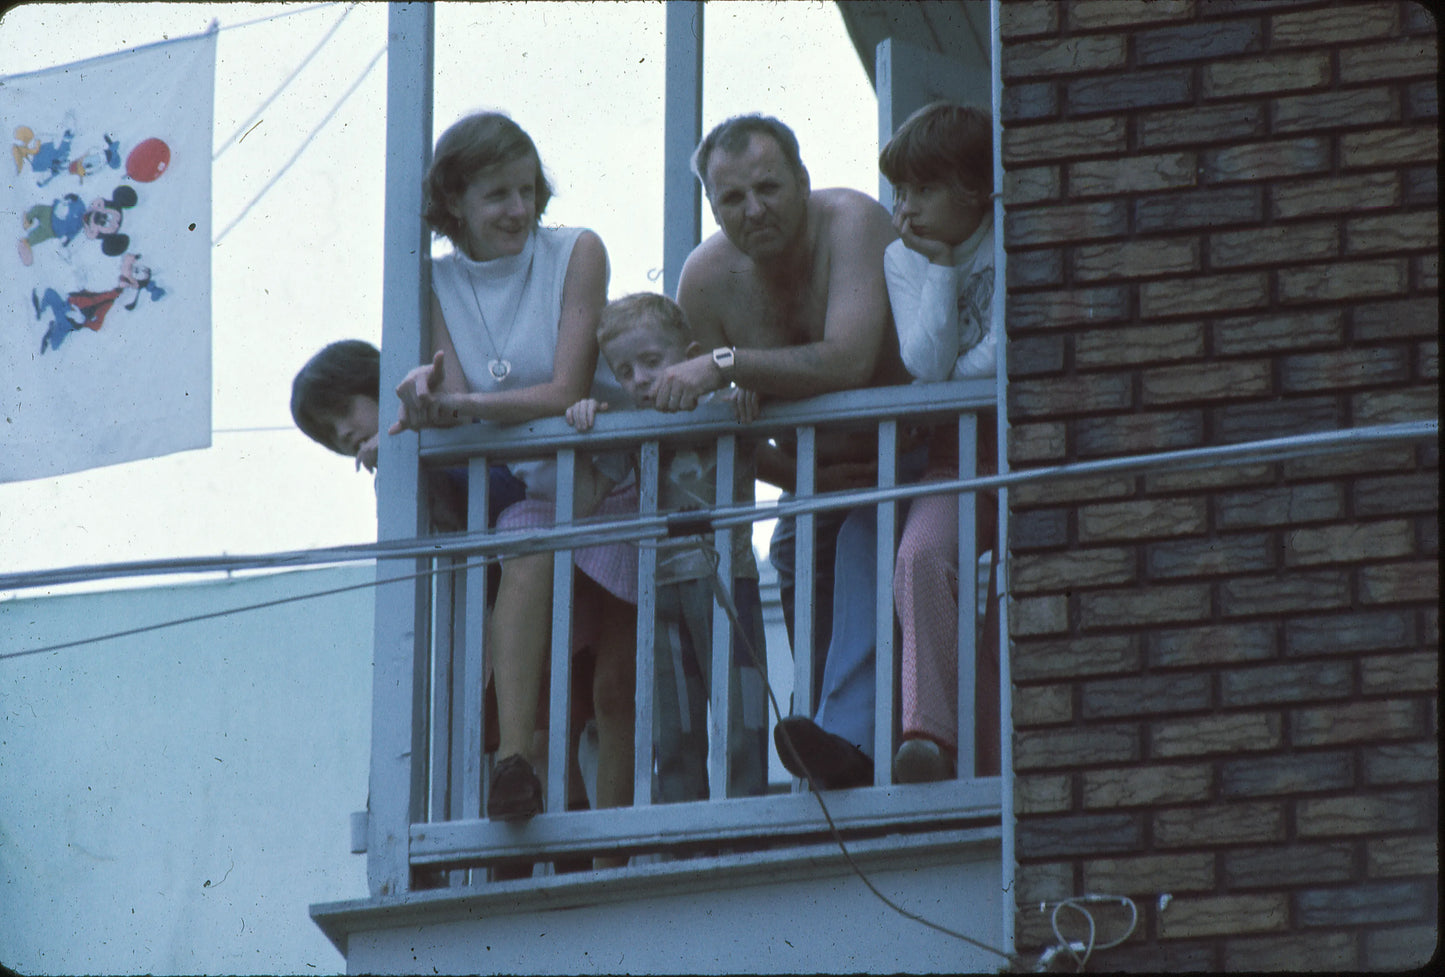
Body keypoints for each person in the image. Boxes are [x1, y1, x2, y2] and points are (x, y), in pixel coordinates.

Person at [389, 112, 638, 827]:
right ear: (454, 202)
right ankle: (514, 764)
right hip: (536, 491)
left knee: (617, 682)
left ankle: (613, 846)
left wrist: (464, 403)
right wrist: (430, 410)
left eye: (528, 191)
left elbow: (564, 390)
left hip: (610, 476)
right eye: (497, 194)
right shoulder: (431, 281)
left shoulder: (575, 252)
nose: (519, 210)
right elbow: (451, 392)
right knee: (523, 561)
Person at [650, 113, 910, 790]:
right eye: (731, 198)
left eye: (768, 187)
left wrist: (729, 362)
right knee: (800, 573)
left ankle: (861, 744)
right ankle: (835, 756)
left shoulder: (852, 221)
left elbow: (850, 359)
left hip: (910, 458)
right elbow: (720, 429)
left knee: (862, 546)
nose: (753, 209)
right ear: (711, 204)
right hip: (812, 482)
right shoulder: (704, 277)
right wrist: (801, 472)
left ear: (802, 179)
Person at [565, 292, 769, 804]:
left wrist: (750, 395)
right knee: (673, 725)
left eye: (652, 362)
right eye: (624, 370)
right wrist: (590, 427)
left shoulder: (725, 408)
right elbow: (582, 503)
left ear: (689, 355)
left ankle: (747, 826)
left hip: (729, 581)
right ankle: (684, 834)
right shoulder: (631, 428)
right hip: (660, 591)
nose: (639, 379)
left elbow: (771, 434)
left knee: (741, 716)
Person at [880, 101, 1001, 781]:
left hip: (1019, 446)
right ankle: (928, 734)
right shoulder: (905, 258)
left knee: (1005, 601)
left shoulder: (1011, 232)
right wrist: (940, 267)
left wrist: (956, 374)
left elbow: (1007, 350)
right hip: (956, 453)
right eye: (902, 192)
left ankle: (996, 755)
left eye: (925, 189)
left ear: (975, 189)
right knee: (920, 555)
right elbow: (926, 366)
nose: (909, 208)